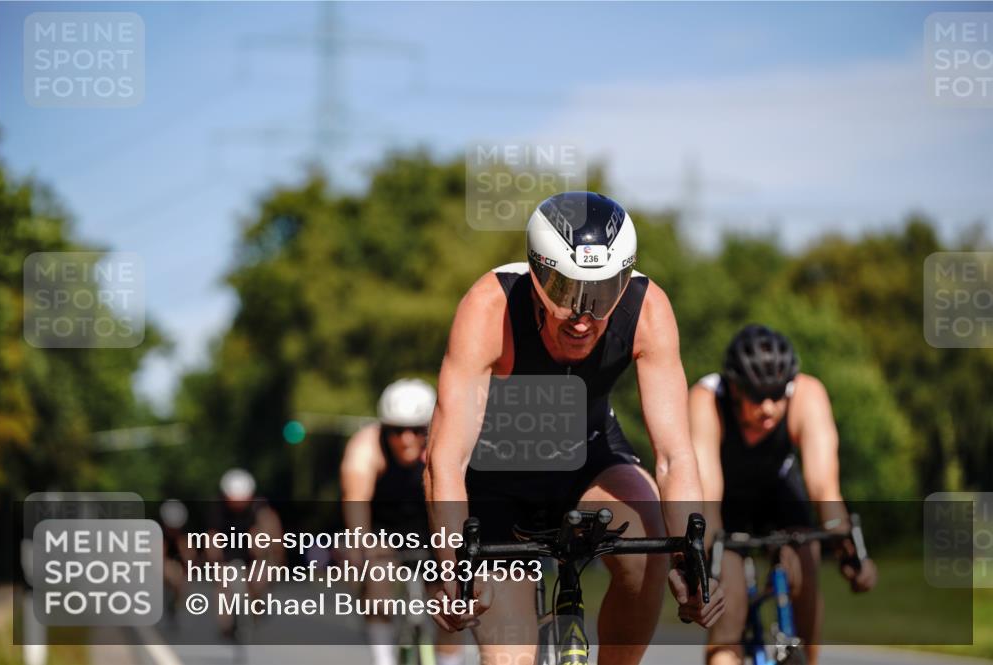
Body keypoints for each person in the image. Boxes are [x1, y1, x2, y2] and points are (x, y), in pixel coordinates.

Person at [425, 191, 725, 665]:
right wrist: (451, 568)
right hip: (496, 478)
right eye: (566, 291)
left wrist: (693, 563)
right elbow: (445, 459)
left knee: (649, 533)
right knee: (510, 659)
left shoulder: (648, 310)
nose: (584, 316)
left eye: (603, 292)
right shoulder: (490, 307)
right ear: (538, 274)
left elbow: (674, 457)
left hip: (589, 456)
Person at [688, 324, 878, 665]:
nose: (770, 408)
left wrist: (851, 551)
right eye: (758, 396)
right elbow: (707, 496)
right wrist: (709, 565)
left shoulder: (807, 394)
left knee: (805, 559)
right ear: (734, 389)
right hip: (726, 505)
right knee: (728, 602)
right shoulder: (706, 401)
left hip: (780, 497)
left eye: (778, 394)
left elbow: (824, 488)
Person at [341, 378, 463, 665]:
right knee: (377, 580)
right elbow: (355, 500)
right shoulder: (365, 446)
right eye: (396, 430)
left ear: (430, 426)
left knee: (450, 600)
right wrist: (362, 545)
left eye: (416, 430)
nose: (406, 439)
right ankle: (383, 657)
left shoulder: (446, 443)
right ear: (384, 427)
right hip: (385, 528)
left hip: (432, 524)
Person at [206, 468, 284, 639]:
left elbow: (273, 537)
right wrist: (215, 560)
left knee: (259, 577)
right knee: (223, 582)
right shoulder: (218, 508)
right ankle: (226, 625)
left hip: (253, 553)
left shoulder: (261, 509)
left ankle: (256, 604)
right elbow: (212, 537)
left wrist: (267, 551)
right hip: (228, 551)